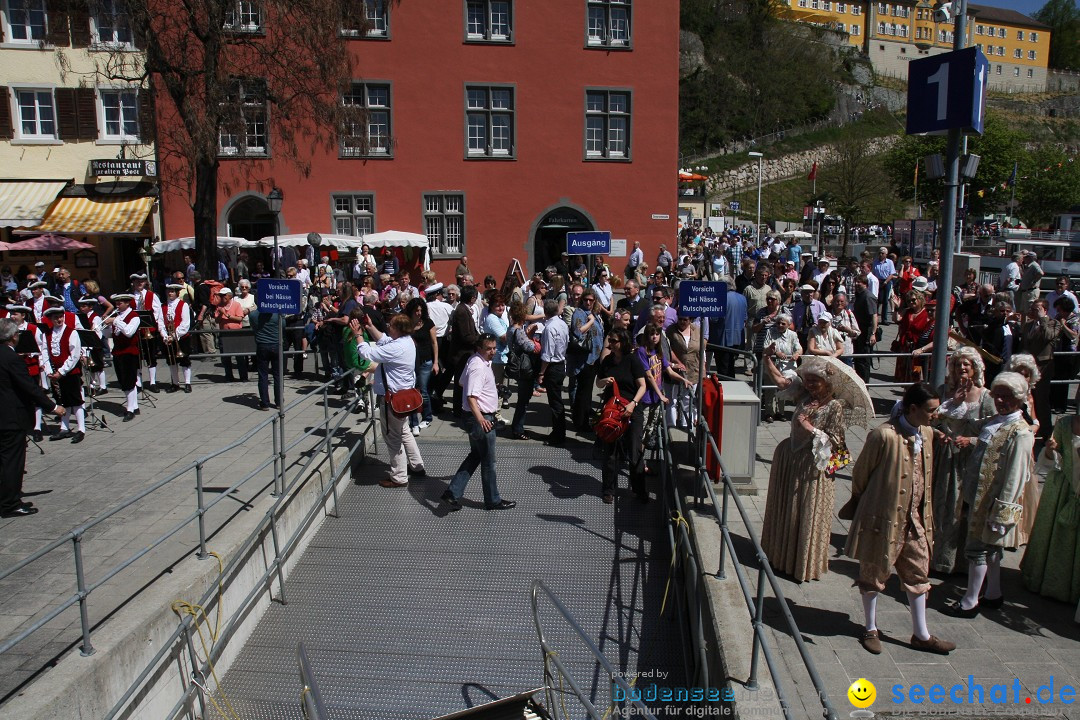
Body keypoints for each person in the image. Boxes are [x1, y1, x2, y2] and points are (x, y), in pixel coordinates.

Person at [844, 382, 955, 656]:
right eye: (931, 410)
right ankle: (870, 628)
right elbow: (861, 474)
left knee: (918, 571)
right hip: (882, 518)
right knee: (873, 573)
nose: (935, 415)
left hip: (914, 519)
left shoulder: (927, 433)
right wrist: (866, 502)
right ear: (913, 408)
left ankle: (921, 634)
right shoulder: (884, 435)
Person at [944, 372, 1034, 618]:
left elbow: (1015, 476)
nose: (1002, 401)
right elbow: (961, 424)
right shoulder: (995, 420)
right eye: (999, 396)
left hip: (992, 501)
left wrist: (1002, 512)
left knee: (978, 549)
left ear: (1019, 399)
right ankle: (993, 593)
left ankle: (970, 600)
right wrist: (957, 402)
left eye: (1008, 397)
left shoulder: (1021, 432)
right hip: (977, 495)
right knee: (990, 549)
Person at [761, 357, 855, 581]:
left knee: (804, 511)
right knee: (788, 509)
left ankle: (801, 564)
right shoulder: (804, 396)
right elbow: (783, 382)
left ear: (827, 383)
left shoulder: (834, 407)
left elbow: (835, 441)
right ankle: (781, 556)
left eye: (816, 380)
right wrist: (767, 360)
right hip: (791, 460)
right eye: (808, 379)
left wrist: (809, 427)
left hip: (813, 467)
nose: (810, 384)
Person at [929, 347, 996, 574]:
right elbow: (932, 420)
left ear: (975, 367)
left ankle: (965, 563)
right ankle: (941, 560)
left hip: (972, 461)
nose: (962, 368)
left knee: (966, 511)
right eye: (958, 364)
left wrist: (972, 440)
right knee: (945, 508)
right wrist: (939, 433)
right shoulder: (944, 391)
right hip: (947, 458)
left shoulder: (986, 397)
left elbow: (994, 432)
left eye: (967, 364)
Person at [441, 334, 516, 511]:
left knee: (476, 455)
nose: (493, 352)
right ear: (479, 348)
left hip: (475, 418)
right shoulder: (478, 367)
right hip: (481, 419)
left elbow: (461, 383)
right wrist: (481, 419)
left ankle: (452, 493)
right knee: (489, 461)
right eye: (489, 349)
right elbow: (471, 397)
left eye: (494, 348)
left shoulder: (475, 361)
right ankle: (493, 500)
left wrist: (491, 388)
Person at [354, 312, 425, 487]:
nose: (388, 327)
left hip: (392, 398)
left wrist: (358, 336)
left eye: (391, 325)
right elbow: (384, 340)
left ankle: (399, 477)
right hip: (404, 396)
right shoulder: (406, 341)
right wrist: (370, 326)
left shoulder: (396, 347)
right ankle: (417, 466)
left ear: (399, 329)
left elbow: (368, 353)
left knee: (392, 437)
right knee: (404, 431)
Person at [1, 317, 64, 514]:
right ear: (13, 337)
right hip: (11, 418)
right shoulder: (12, 359)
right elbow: (29, 388)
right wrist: (53, 407)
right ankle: (10, 503)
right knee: (13, 461)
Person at [1021, 409, 1080, 604]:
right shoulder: (1065, 424)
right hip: (1062, 489)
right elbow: (1051, 459)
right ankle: (1047, 580)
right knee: (1054, 535)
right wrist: (1049, 448)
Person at [595, 329, 647, 504]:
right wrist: (605, 381)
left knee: (634, 451)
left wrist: (633, 404)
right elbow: (598, 382)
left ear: (622, 343)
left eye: (614, 341)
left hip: (631, 409)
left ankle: (639, 489)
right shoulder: (608, 361)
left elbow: (642, 386)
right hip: (613, 411)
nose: (611, 343)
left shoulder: (632, 360)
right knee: (610, 452)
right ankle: (608, 490)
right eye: (610, 340)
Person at [40, 307, 85, 443]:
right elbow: (45, 354)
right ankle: (64, 428)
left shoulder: (71, 333)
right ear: (50, 320)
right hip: (55, 373)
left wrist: (61, 372)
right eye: (55, 318)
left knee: (75, 400)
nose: (59, 319)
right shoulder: (46, 334)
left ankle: (81, 429)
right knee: (62, 401)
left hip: (69, 372)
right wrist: (49, 372)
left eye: (61, 316)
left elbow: (75, 355)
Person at [103, 294, 141, 422]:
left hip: (129, 352)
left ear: (127, 303)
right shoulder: (118, 317)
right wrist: (106, 325)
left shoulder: (134, 316)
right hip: (118, 352)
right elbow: (110, 334)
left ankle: (130, 409)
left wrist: (115, 321)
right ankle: (134, 406)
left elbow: (129, 332)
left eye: (119, 303)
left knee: (129, 380)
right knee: (123, 380)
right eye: (116, 303)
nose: (117, 305)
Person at [538, 298, 569, 446]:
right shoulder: (562, 323)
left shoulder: (550, 328)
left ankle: (558, 434)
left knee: (555, 402)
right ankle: (558, 431)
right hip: (561, 363)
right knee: (556, 401)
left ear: (545, 312)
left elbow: (548, 354)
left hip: (553, 367)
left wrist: (541, 373)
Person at [405, 297, 438, 435]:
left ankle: (427, 417)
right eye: (416, 310)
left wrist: (436, 362)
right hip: (410, 361)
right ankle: (413, 422)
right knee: (412, 391)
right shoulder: (406, 324)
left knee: (423, 391)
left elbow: (434, 343)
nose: (418, 313)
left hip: (425, 361)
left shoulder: (428, 323)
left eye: (420, 310)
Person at [666, 314, 701, 430]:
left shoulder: (697, 330)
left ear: (690, 320)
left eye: (685, 319)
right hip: (675, 371)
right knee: (672, 400)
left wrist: (703, 372)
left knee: (688, 400)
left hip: (693, 370)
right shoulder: (671, 330)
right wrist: (675, 363)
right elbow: (668, 349)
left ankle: (687, 425)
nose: (682, 322)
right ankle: (671, 425)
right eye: (680, 319)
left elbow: (701, 352)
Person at [249, 304, 282, 411]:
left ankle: (265, 403)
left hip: (262, 345)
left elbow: (254, 327)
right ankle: (279, 402)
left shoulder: (253, 315)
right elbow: (283, 326)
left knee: (263, 375)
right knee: (278, 375)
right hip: (276, 344)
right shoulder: (277, 314)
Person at [162, 283, 193, 393]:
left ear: (177, 293)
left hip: (181, 337)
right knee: (171, 361)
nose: (170, 293)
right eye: (169, 291)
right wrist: (165, 335)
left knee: (185, 360)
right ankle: (175, 383)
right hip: (168, 338)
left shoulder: (183, 305)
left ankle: (187, 383)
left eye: (172, 291)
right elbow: (161, 322)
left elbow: (185, 323)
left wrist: (174, 335)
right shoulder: (164, 306)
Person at [893, 290, 930, 382]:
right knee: (904, 374)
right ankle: (906, 393)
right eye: (908, 301)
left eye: (913, 300)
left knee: (916, 373)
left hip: (918, 348)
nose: (911, 302)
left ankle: (914, 391)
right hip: (905, 347)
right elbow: (896, 319)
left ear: (920, 299)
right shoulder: (907, 311)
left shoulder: (926, 313)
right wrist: (896, 308)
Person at [214, 287, 248, 382]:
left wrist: (227, 315)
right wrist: (221, 314)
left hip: (236, 333)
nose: (222, 297)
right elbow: (217, 320)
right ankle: (229, 376)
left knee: (240, 357)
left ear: (229, 296)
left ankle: (243, 377)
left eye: (223, 295)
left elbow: (239, 319)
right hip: (224, 334)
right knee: (226, 357)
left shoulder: (236, 305)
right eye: (221, 295)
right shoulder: (219, 306)